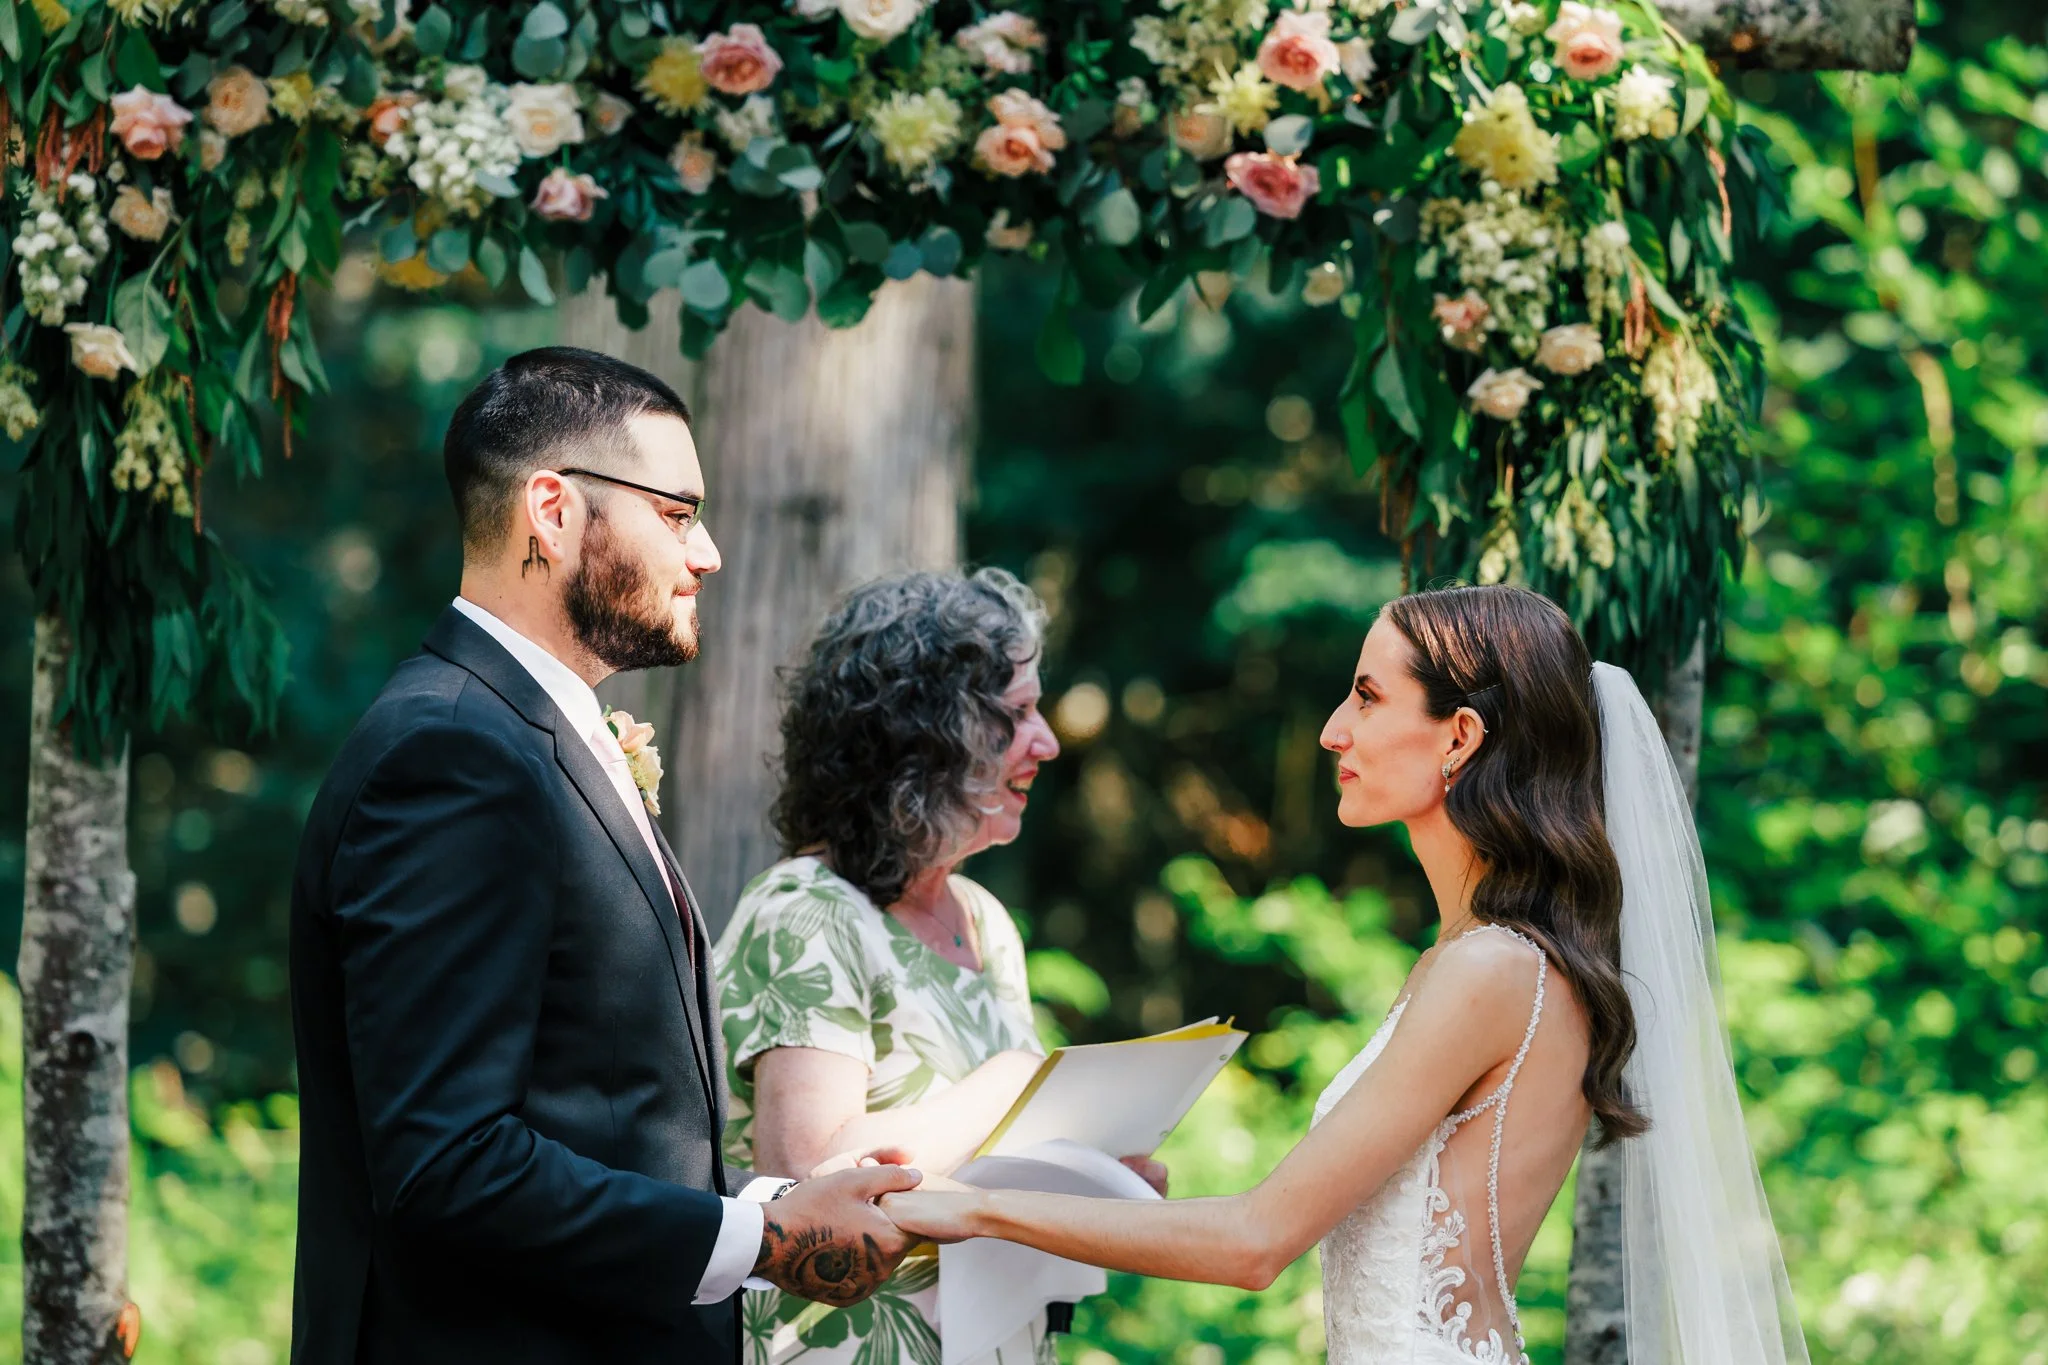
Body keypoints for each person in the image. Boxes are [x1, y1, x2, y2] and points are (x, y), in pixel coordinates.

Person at [880, 584, 1811, 1365]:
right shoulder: (1488, 957)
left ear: (1460, 737)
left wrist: (974, 1208)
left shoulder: (1490, 969)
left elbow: (1254, 1242)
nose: (1332, 731)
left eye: (1367, 697)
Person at [288, 347, 922, 1365]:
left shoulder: (529, 735)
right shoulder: (449, 753)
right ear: (551, 509)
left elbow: (599, 1112)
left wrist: (771, 1204)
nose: (706, 552)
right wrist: (760, 1239)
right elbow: (446, 1163)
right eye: (677, 513)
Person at [714, 569, 1164, 1365]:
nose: (1048, 740)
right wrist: (1015, 1081)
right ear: (927, 733)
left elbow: (984, 1169)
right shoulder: (803, 910)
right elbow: (808, 1177)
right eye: (1019, 712)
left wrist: (1093, 1176)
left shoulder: (986, 921)